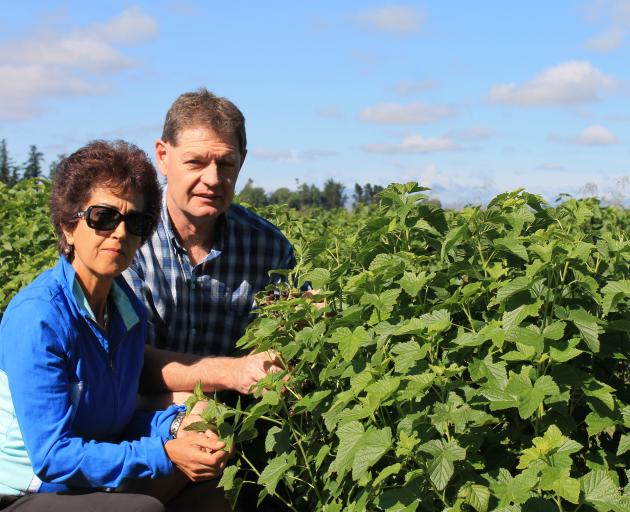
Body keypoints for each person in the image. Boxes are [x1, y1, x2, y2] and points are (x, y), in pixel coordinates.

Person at [0, 141, 232, 511]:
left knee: (214, 489)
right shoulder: (39, 317)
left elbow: (115, 423)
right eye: (103, 217)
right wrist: (166, 452)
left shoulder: (125, 312)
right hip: (25, 489)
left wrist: (179, 426)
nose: (120, 233)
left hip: (78, 480)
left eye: (135, 222)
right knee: (141, 508)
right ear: (68, 226)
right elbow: (52, 455)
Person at [124, 89, 295, 402]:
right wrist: (234, 372)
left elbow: (283, 345)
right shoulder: (128, 240)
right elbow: (125, 362)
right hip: (140, 424)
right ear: (162, 156)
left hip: (242, 428)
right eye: (196, 162)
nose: (213, 179)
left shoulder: (269, 249)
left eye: (226, 164)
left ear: (242, 161)